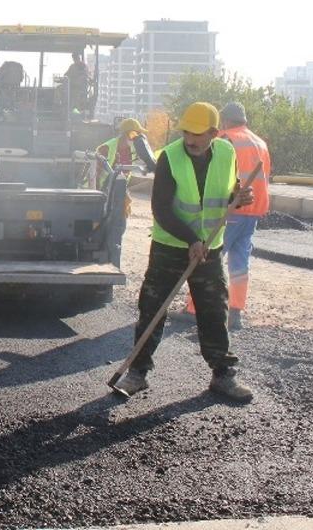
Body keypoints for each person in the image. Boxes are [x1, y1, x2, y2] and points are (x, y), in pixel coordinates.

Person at [113, 102, 256, 403]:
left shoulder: (227, 153)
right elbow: (161, 209)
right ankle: (137, 372)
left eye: (197, 134)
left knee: (214, 310)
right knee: (152, 307)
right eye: (186, 132)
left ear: (214, 133)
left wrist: (238, 197)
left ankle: (222, 374)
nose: (190, 139)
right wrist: (191, 239)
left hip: (209, 248)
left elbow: (228, 191)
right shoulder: (170, 158)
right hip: (170, 247)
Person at [186, 102, 272, 329]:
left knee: (208, 258)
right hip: (252, 211)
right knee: (239, 263)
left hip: (231, 208)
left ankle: (194, 309)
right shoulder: (260, 143)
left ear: (224, 120)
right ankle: (235, 312)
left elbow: (211, 174)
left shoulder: (224, 140)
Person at [93, 117, 159, 265]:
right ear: (128, 133)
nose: (137, 137)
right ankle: (105, 261)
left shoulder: (132, 150)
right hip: (102, 194)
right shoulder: (106, 148)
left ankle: (112, 262)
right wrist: (97, 198)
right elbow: (94, 175)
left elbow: (146, 161)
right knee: (104, 230)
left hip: (119, 192)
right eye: (136, 133)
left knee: (118, 229)